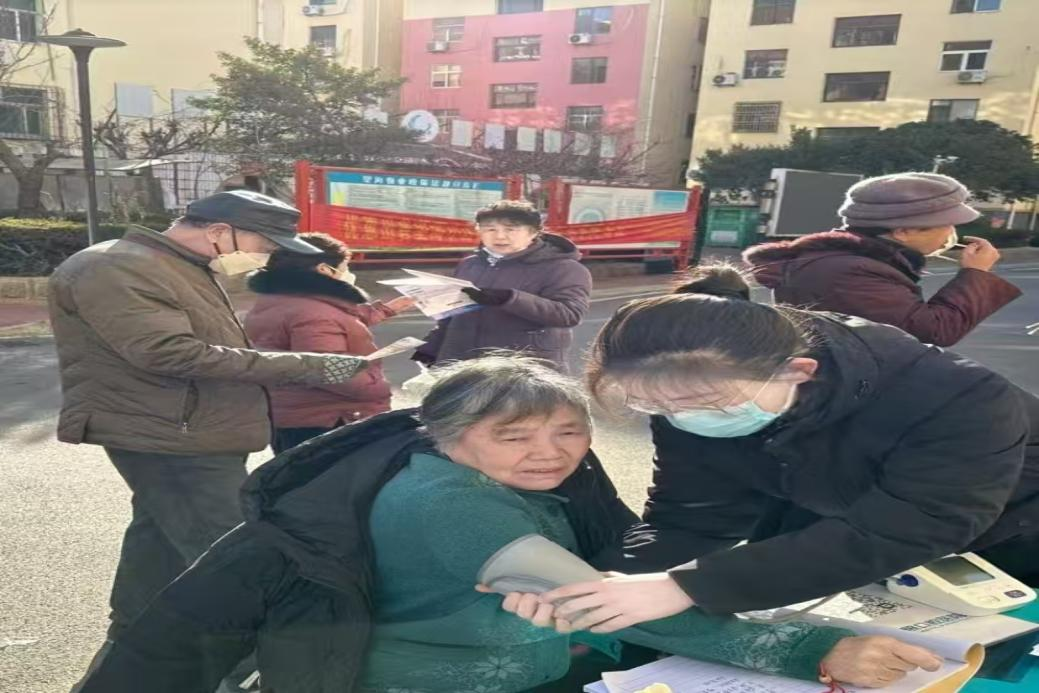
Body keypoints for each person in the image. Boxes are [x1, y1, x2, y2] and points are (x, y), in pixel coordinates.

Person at [76, 356, 940, 693]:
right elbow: (607, 600)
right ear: (448, 436)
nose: (549, 452)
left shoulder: (462, 472)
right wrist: (812, 648)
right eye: (514, 435)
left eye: (567, 430)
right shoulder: (450, 502)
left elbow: (610, 571)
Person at [510, 264, 1039, 634]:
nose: (683, 419)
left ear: (797, 372)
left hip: (1009, 529)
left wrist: (686, 587)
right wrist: (593, 584)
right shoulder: (690, 394)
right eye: (654, 406)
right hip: (835, 524)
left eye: (703, 404)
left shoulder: (958, 397)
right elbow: (691, 517)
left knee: (991, 648)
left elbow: (913, 525)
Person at [48, 191, 368, 686]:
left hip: (187, 431)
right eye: (264, 245)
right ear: (220, 231)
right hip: (170, 435)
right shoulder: (117, 265)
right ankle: (253, 672)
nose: (266, 258)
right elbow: (166, 352)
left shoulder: (175, 265)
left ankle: (121, 662)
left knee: (157, 561)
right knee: (236, 562)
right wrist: (304, 365)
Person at [743, 172, 1021, 346]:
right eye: (946, 225)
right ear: (903, 231)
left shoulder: (853, 260)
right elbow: (933, 330)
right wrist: (975, 275)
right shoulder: (848, 271)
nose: (951, 233)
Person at [245, 232, 415, 453]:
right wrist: (378, 387)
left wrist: (384, 311)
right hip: (329, 418)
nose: (348, 273)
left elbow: (334, 324)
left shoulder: (282, 299)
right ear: (324, 269)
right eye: (345, 267)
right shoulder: (311, 312)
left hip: (294, 414)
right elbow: (329, 369)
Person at [412, 199, 591, 370]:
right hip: (460, 364)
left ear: (534, 232)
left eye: (511, 229)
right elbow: (452, 313)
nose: (499, 236)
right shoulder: (470, 264)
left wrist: (510, 299)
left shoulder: (564, 268)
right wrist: (431, 348)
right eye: (490, 229)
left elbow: (569, 314)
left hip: (522, 369)